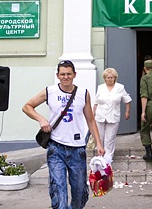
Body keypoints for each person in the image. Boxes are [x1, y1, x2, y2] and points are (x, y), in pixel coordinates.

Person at [23, 60, 105, 209]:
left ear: (74, 75)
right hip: (56, 148)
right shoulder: (50, 91)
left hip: (77, 149)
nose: (65, 77)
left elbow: (91, 120)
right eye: (62, 74)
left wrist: (99, 143)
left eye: (68, 74)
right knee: (58, 189)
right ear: (58, 76)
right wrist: (41, 119)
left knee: (79, 192)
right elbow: (27, 106)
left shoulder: (83, 93)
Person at [93, 68, 132, 163]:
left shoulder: (120, 87)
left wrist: (127, 111)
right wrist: (93, 112)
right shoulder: (100, 87)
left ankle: (108, 159)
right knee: (100, 137)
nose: (110, 79)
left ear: (115, 78)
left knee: (109, 139)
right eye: (108, 77)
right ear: (104, 78)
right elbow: (96, 101)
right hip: (100, 115)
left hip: (113, 116)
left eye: (112, 77)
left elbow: (127, 100)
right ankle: (100, 157)